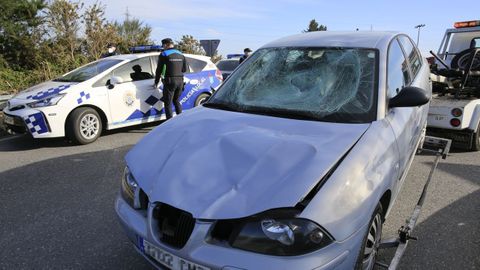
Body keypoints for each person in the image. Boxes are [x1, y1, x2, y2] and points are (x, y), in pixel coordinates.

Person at [154, 38, 187, 119]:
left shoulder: (164, 54)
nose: (163, 47)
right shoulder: (181, 54)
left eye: (163, 46)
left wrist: (156, 82)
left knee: (168, 103)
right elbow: (184, 69)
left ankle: (169, 124)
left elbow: (159, 70)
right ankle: (180, 120)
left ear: (165, 45)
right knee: (176, 101)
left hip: (170, 81)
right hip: (180, 81)